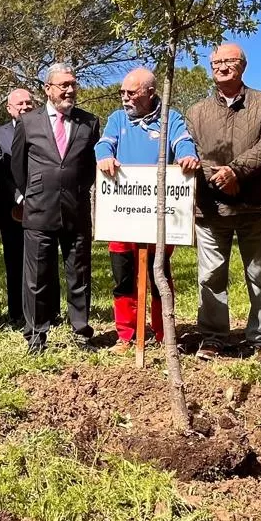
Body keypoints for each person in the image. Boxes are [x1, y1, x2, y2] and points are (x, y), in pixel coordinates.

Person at [186, 44, 261, 361]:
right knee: (210, 276)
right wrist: (219, 177)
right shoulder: (196, 111)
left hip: (256, 206)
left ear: (243, 65)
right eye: (216, 61)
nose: (222, 66)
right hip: (211, 208)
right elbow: (189, 153)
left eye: (229, 60)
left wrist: (237, 172)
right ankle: (213, 338)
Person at [95, 67, 199, 355]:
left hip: (158, 217)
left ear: (150, 93)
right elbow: (105, 144)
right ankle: (126, 335)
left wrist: (188, 156)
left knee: (159, 277)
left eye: (131, 93)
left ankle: (164, 333)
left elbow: (182, 141)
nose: (125, 98)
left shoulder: (170, 117)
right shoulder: (117, 119)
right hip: (122, 215)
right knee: (123, 277)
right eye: (122, 93)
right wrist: (104, 157)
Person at [13, 63, 100, 354]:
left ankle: (81, 332)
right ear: (47, 89)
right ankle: (36, 336)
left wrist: (74, 188)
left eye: (73, 84)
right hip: (39, 210)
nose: (70, 90)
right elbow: (18, 167)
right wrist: (34, 191)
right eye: (63, 85)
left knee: (79, 274)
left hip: (76, 211)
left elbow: (89, 167)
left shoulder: (89, 122)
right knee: (37, 278)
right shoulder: (29, 122)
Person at [0, 88, 36, 329]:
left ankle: (45, 311)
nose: (24, 107)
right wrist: (20, 198)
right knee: (15, 262)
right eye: (19, 103)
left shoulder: (45, 127)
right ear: (9, 108)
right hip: (13, 208)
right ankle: (17, 314)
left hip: (43, 205)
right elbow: (0, 172)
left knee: (43, 261)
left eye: (28, 102)